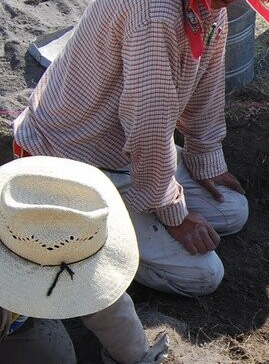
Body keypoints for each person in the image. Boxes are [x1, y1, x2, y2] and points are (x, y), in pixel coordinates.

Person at [13, 0, 269, 297]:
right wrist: (174, 214)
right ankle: (93, 246)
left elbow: (206, 84)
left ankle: (141, 215)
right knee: (203, 274)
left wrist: (206, 157)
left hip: (125, 151)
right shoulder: (156, 4)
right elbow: (149, 124)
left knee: (231, 210)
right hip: (76, 159)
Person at [0, 155, 169, 363]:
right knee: (55, 357)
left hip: (16, 314)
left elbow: (106, 301)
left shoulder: (76, 237)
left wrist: (138, 358)